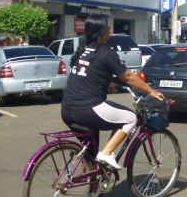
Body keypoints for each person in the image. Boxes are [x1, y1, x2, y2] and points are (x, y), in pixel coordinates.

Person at [61, 14, 165, 170]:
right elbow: (128, 77)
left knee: (90, 154)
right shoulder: (105, 52)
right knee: (131, 118)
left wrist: (108, 83)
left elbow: (87, 73)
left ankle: (92, 190)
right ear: (102, 32)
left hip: (67, 110)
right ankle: (107, 153)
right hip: (88, 109)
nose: (110, 31)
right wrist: (150, 91)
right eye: (108, 28)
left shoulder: (82, 50)